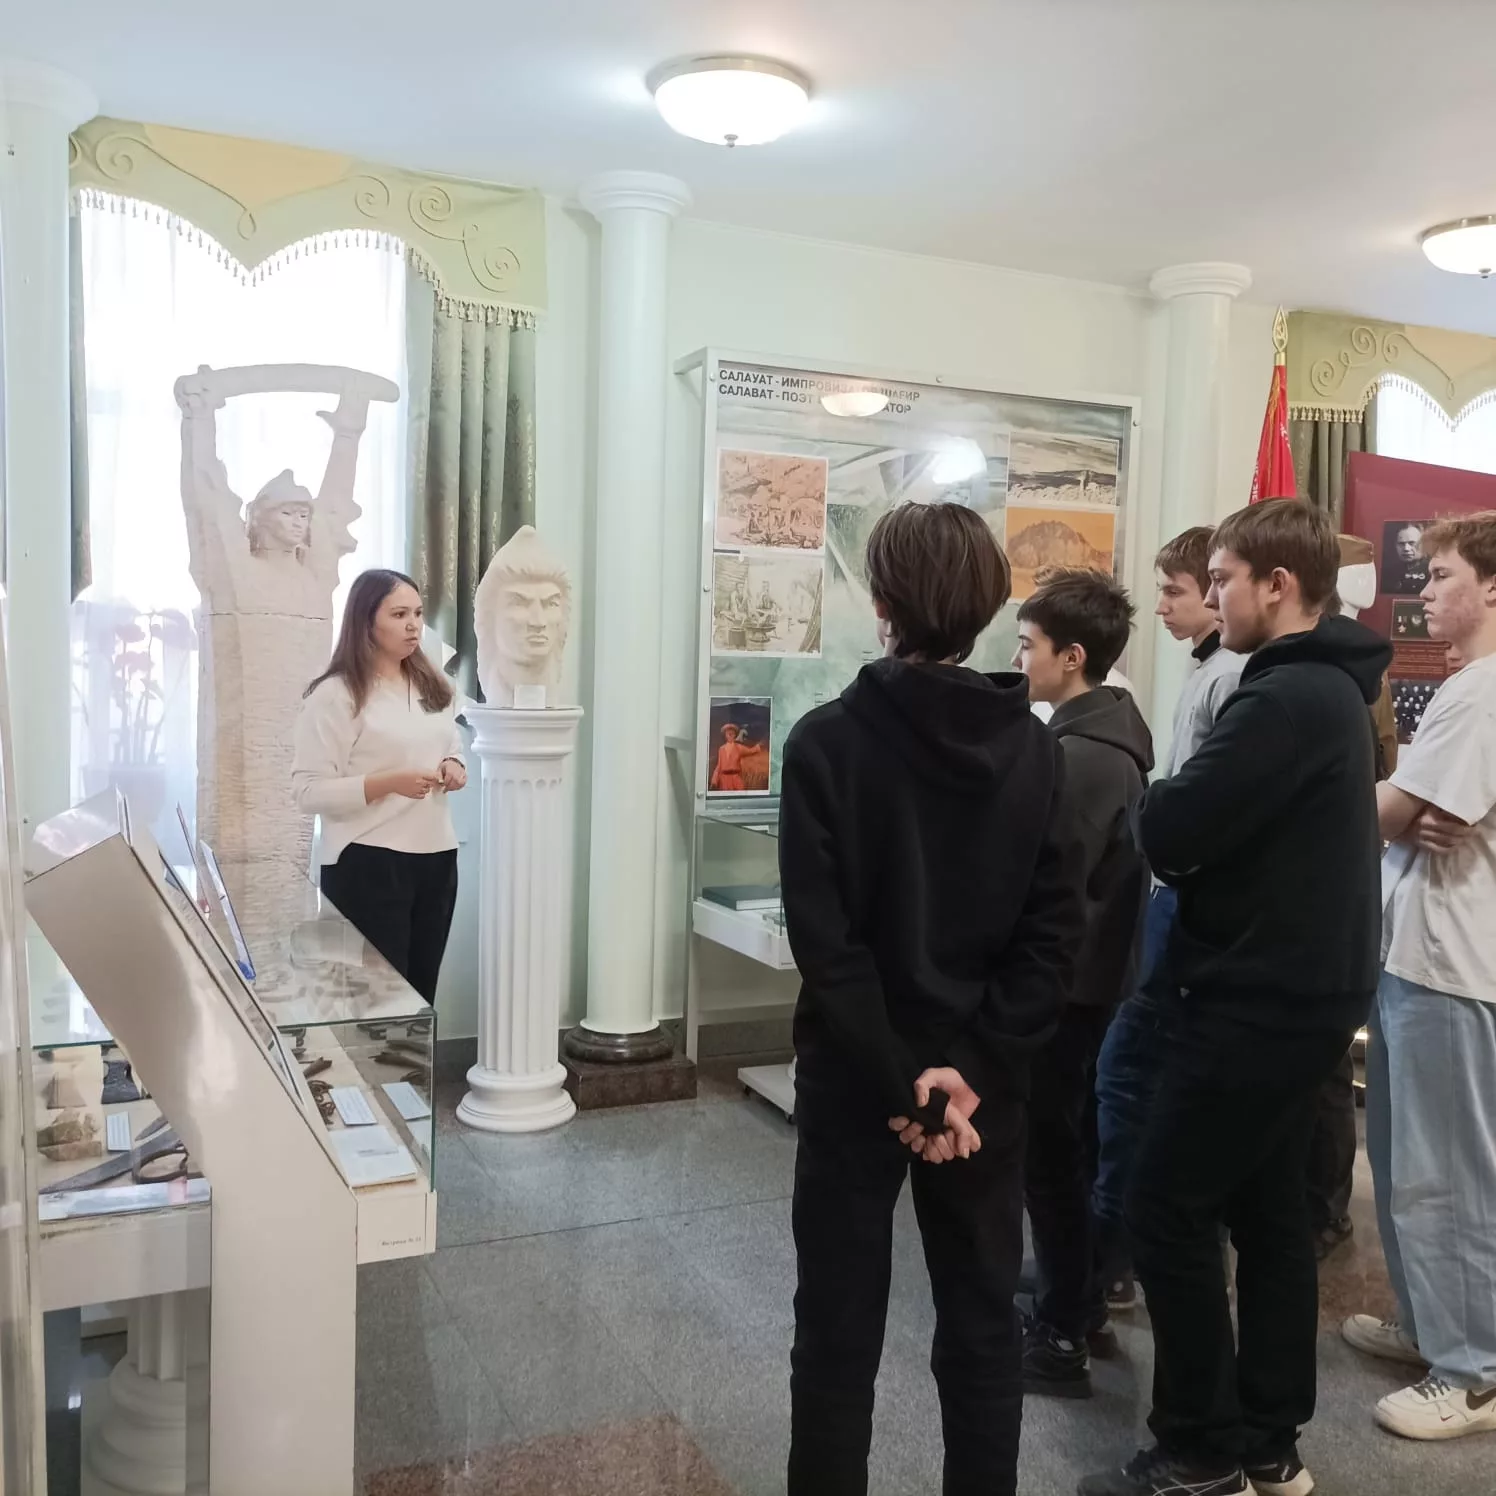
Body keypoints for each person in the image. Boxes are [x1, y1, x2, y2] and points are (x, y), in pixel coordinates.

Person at [1082, 501, 1391, 1496]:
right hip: (1298, 987)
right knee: (1265, 1212)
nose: (1212, 598)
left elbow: (1170, 824)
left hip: (1258, 995)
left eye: (1222, 578)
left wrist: (1155, 805)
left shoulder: (1284, 698)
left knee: (1164, 1205)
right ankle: (1264, 1437)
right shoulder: (1324, 688)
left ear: (1278, 584)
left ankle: (1199, 1450)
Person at [779, 501, 1083, 1496]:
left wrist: (905, 1081)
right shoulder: (1036, 750)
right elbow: (1051, 936)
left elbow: (827, 948)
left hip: (857, 1079)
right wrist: (968, 1073)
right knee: (982, 1325)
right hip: (980, 1093)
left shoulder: (825, 743)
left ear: (881, 604)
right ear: (989, 606)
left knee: (835, 1331)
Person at [1344, 510, 1496, 1441]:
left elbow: (1400, 808)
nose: (1423, 590)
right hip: (1421, 954)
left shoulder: (1484, 689)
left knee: (1448, 1173)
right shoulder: (1467, 684)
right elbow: (1411, 810)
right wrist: (1405, 809)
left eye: (1442, 575)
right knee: (1407, 1162)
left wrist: (1381, 805)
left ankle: (1474, 1369)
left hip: (1453, 962)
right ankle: (1432, 1324)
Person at [1090, 526, 1246, 1315]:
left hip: (1187, 903)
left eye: (1177, 591)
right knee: (1135, 1077)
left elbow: (1206, 808)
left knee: (1128, 1076)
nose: (1163, 607)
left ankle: (1111, 1262)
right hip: (1173, 894)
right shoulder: (1209, 672)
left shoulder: (1233, 679)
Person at [1011, 569, 1152, 1399]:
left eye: (1028, 645)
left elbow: (1051, 882)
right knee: (1069, 1147)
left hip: (1069, 986)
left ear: (1072, 656)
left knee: (1053, 1157)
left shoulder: (1082, 757)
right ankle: (1080, 1298)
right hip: (1092, 976)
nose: (1017, 659)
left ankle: (1062, 1331)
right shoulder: (1105, 733)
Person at [292, 569, 467, 1002]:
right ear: (366, 620)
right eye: (399, 614)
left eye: (418, 614)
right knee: (374, 1006)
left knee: (420, 997)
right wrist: (388, 783)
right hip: (366, 863)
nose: (414, 625)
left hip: (437, 860)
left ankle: (411, 1055)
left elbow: (449, 741)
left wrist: (454, 764)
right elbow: (308, 792)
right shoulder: (335, 695)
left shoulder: (435, 684)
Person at [709, 723, 747, 792]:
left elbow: (751, 751)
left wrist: (759, 746)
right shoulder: (721, 749)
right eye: (728, 733)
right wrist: (714, 781)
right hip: (724, 780)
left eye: (732, 733)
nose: (730, 735)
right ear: (725, 735)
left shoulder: (739, 747)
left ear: (735, 735)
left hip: (736, 778)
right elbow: (719, 766)